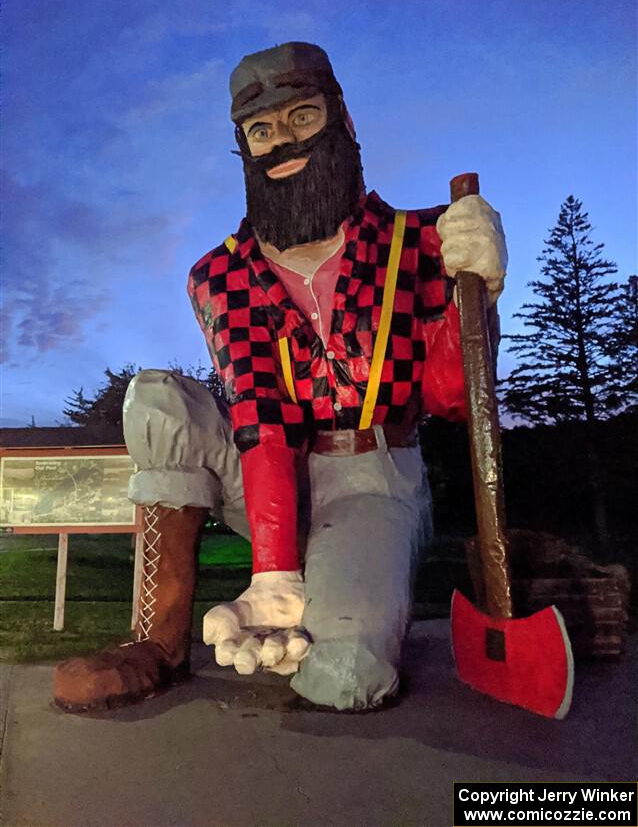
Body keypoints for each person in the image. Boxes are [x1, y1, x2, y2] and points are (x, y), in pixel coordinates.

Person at [53, 42, 507, 713]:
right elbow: (260, 416)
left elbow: (450, 399)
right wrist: (272, 573)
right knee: (158, 399)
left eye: (301, 115)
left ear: (343, 123)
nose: (282, 141)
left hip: (374, 475)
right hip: (275, 470)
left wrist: (480, 295)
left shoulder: (424, 240)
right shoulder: (220, 274)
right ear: (243, 147)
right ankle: (158, 643)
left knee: (344, 675)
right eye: (260, 129)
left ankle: (347, 602)